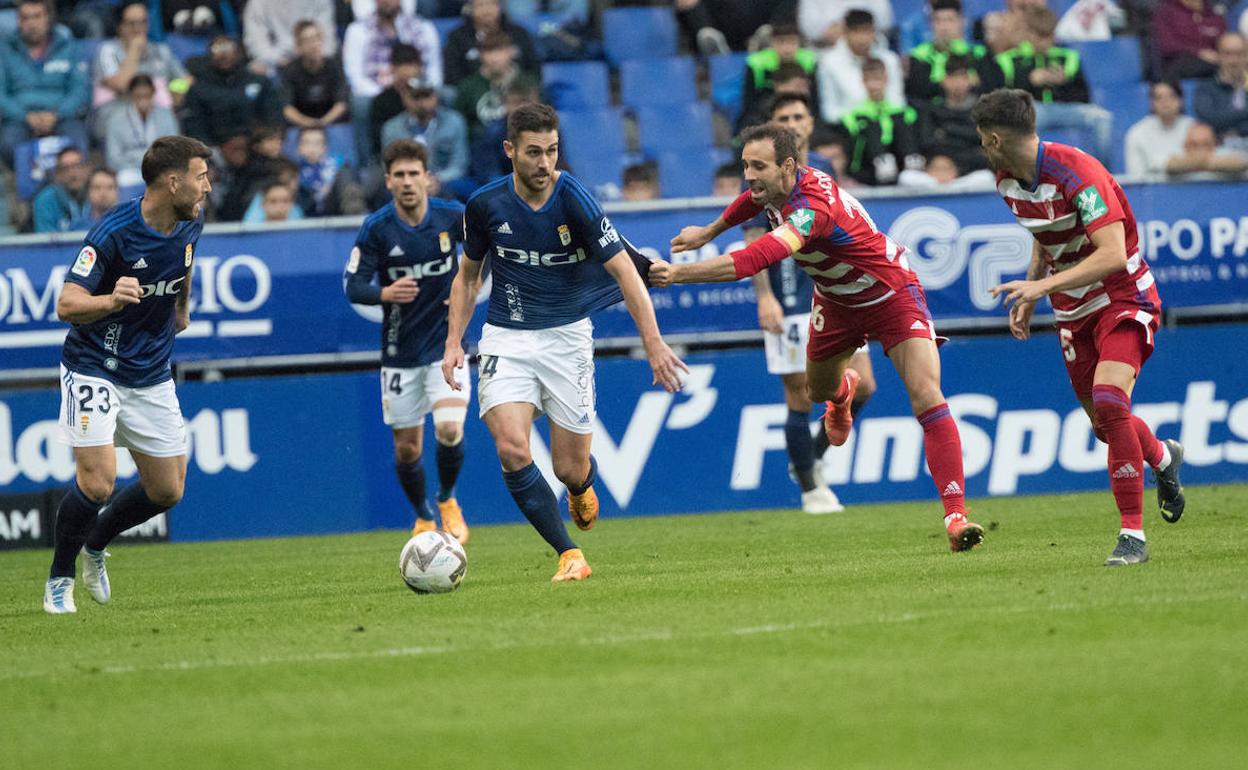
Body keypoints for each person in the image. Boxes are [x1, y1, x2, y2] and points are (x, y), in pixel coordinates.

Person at [649, 123, 984, 554]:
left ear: (788, 166)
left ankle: (955, 516)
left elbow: (754, 259)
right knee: (818, 389)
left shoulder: (812, 208)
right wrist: (710, 231)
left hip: (891, 293)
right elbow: (746, 204)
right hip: (836, 302)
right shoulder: (772, 189)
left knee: (925, 394)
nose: (749, 175)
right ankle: (842, 394)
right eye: (745, 165)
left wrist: (678, 274)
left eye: (759, 166)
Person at [441, 103, 687, 582]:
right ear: (510, 150)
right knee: (512, 448)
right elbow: (467, 279)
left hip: (567, 338)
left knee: (569, 469)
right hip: (505, 338)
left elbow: (626, 275)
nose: (544, 163)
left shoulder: (574, 198)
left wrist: (654, 344)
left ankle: (580, 486)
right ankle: (569, 554)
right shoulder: (485, 205)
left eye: (552, 151)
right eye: (534, 152)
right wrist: (454, 341)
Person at [973, 88, 1186, 567]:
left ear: (992, 139)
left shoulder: (1078, 173)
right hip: (1071, 309)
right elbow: (1046, 237)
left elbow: (1110, 253)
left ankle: (1132, 537)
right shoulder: (1009, 181)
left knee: (1111, 401)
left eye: (982, 140)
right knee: (1106, 426)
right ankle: (1163, 459)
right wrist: (1032, 290)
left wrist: (1039, 290)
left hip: (1121, 295)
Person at [43, 135, 213, 614]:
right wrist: (112, 301)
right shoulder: (112, 232)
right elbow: (66, 304)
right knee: (98, 483)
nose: (208, 187)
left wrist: (181, 310)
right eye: (201, 177)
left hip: (151, 370)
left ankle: (95, 546)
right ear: (172, 181)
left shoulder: (190, 221)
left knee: (168, 490)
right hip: (95, 364)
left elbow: (185, 262)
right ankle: (59, 579)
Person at [747, 98, 877, 515]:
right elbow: (752, 240)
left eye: (798, 117)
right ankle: (809, 488)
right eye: (783, 118)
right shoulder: (760, 171)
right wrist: (764, 297)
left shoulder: (823, 165)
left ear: (810, 123)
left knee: (866, 385)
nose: (793, 124)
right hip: (788, 294)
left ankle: (811, 456)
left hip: (836, 292)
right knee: (799, 395)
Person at [343, 140, 473, 541]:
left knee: (450, 430)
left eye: (414, 173)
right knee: (407, 451)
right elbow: (353, 284)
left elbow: (489, 251)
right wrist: (385, 293)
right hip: (399, 354)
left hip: (445, 348)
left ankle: (448, 500)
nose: (407, 182)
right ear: (388, 181)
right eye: (398, 175)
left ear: (427, 178)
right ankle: (422, 515)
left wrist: (469, 282)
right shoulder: (377, 228)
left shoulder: (453, 217)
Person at [992, 5, 1113, 164]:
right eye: (1040, 35)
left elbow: (1084, 97)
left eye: (1049, 35)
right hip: (1032, 110)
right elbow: (1001, 99)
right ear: (1028, 34)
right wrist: (1030, 82)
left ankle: (1100, 172)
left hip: (1064, 110)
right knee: (1022, 120)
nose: (1045, 41)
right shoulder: (1010, 60)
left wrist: (1063, 84)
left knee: (1102, 118)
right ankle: (1023, 172)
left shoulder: (1068, 57)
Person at [0, 0, 90, 163]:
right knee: (8, 144)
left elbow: (80, 89)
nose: (32, 23)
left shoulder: (69, 47)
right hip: (19, 118)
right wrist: (25, 116)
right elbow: (1, 94)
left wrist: (57, 114)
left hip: (62, 116)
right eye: (26, 18)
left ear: (48, 19)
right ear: (18, 21)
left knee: (78, 144)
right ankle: (29, 187)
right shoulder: (5, 50)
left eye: (37, 16)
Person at [380, 74, 470, 198]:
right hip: (407, 181)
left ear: (436, 97)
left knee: (464, 187)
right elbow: (389, 166)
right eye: (416, 97)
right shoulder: (392, 128)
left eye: (427, 96)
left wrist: (436, 180)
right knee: (385, 191)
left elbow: (459, 165)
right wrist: (416, 181)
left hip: (444, 181)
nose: (422, 102)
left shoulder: (454, 121)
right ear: (405, 98)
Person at [92, 2, 189, 114]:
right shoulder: (108, 50)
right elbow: (120, 85)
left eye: (143, 22)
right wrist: (134, 51)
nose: (138, 29)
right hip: (117, 111)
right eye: (132, 23)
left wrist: (172, 89)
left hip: (159, 113)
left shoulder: (160, 50)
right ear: (120, 26)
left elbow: (186, 80)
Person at [841, 58, 925, 186]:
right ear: (863, 81)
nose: (874, 85)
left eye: (878, 79)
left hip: (899, 165)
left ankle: (912, 160)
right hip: (867, 169)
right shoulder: (853, 115)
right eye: (870, 80)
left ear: (886, 79)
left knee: (902, 122)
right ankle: (883, 161)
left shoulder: (902, 111)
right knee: (869, 125)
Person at [816, 9, 904, 124]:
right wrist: (859, 117)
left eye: (867, 31)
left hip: (889, 122)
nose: (862, 38)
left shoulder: (890, 60)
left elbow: (898, 101)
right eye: (856, 32)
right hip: (848, 127)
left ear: (874, 32)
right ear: (845, 32)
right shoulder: (829, 63)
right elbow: (829, 111)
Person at [103, 74, 181, 191]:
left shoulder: (166, 115)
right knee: (123, 180)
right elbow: (113, 157)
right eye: (138, 96)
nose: (143, 100)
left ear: (153, 94)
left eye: (147, 96)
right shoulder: (116, 119)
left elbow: (174, 149)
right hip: (129, 169)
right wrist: (141, 164)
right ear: (131, 95)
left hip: (160, 169)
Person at [905, 0, 989, 105]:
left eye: (950, 20)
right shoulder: (920, 55)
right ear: (930, 24)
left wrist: (939, 84)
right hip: (932, 115)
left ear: (961, 22)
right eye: (938, 20)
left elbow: (986, 87)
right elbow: (918, 91)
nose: (944, 27)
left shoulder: (977, 53)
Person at [442, 0, 539, 87]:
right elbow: (452, 72)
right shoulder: (457, 37)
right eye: (480, 5)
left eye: (491, 4)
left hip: (517, 89)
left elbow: (534, 68)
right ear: (470, 9)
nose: (486, 10)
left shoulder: (518, 33)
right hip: (471, 93)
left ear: (500, 6)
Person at [279, 18, 349, 129]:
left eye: (317, 38)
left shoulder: (334, 67)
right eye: (307, 40)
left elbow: (341, 104)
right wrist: (308, 124)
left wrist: (322, 123)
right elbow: (287, 108)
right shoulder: (290, 70)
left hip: (332, 123)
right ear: (298, 47)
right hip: (300, 126)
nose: (313, 45)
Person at [242, 0, 337, 77]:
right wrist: (278, 59)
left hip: (310, 58)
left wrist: (307, 57)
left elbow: (327, 41)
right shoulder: (257, 3)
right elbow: (256, 41)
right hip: (275, 63)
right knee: (255, 70)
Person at [1124, 80, 1196, 178]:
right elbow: (1136, 179)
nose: (1165, 102)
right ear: (1152, 103)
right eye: (1159, 98)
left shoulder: (1195, 128)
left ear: (1181, 100)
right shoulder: (1136, 133)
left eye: (1171, 96)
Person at [1194, 32, 1248, 144]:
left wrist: (1233, 130)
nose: (1233, 60)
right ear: (1218, 56)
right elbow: (1209, 123)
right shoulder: (1205, 88)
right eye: (1227, 54)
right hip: (1220, 150)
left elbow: (1219, 122)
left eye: (1239, 54)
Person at [1153, 0, 1225, 81]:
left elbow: (1223, 41)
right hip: (1180, 62)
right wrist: (1199, 52)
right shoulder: (1167, 12)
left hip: (1214, 61)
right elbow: (1167, 45)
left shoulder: (1214, 15)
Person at [32, 146, 88, 233]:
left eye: (77, 166)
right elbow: (45, 242)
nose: (73, 174)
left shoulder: (98, 192)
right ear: (58, 174)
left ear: (86, 169)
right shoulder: (45, 201)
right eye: (66, 169)